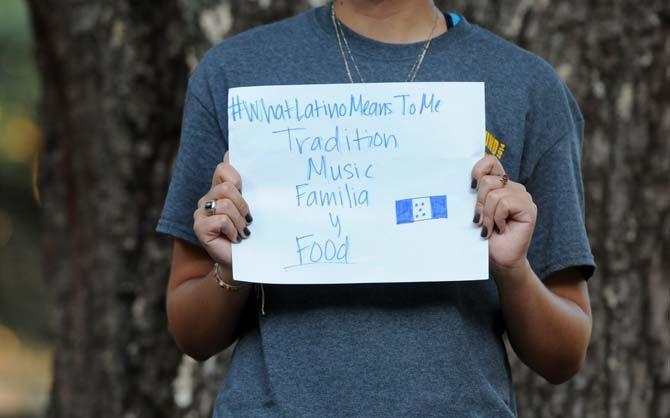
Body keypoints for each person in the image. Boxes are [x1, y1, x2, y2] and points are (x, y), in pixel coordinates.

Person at [155, 1, 596, 416]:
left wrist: (513, 269)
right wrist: (231, 270)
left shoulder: (527, 88)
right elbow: (192, 334)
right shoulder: (234, 73)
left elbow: (564, 355)